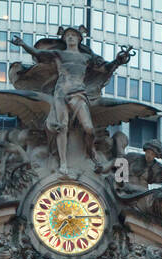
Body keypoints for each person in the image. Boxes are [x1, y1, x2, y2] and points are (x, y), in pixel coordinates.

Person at [10, 27, 133, 173]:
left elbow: (105, 69)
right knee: (62, 127)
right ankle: (63, 163)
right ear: (64, 39)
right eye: (68, 35)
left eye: (73, 35)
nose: (70, 37)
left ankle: (90, 152)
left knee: (89, 128)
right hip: (61, 93)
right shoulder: (59, 54)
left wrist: (118, 61)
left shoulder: (86, 58)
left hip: (79, 94)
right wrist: (23, 44)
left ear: (79, 39)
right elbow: (38, 53)